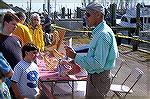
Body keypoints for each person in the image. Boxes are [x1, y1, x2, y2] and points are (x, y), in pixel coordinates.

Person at [65, 2, 119, 99]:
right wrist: (76, 60)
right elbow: (94, 56)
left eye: (88, 14)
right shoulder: (99, 31)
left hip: (98, 78)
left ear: (98, 15)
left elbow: (98, 63)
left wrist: (75, 56)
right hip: (96, 76)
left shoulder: (103, 34)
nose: (85, 17)